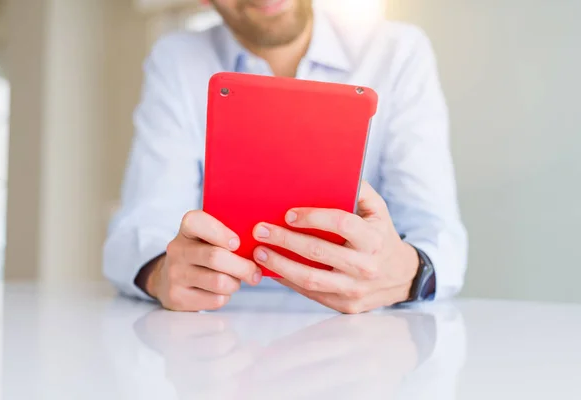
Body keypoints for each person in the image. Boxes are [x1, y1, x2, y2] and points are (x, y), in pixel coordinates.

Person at [103, 0, 468, 313]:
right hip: (217, 329)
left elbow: (439, 234)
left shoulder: (398, 52)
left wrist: (407, 273)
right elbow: (137, 230)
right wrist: (162, 273)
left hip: (366, 329)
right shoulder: (177, 60)